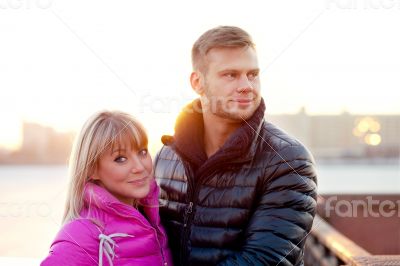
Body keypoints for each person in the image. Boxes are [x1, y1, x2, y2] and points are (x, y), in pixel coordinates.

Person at [154, 26, 318, 265]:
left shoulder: (288, 160)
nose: (246, 86)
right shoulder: (167, 156)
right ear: (197, 82)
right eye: (231, 75)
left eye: (252, 74)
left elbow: (264, 261)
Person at [41, 111, 172, 266]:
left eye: (142, 152)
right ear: (92, 169)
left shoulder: (153, 218)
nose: (139, 166)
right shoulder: (83, 235)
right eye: (121, 159)